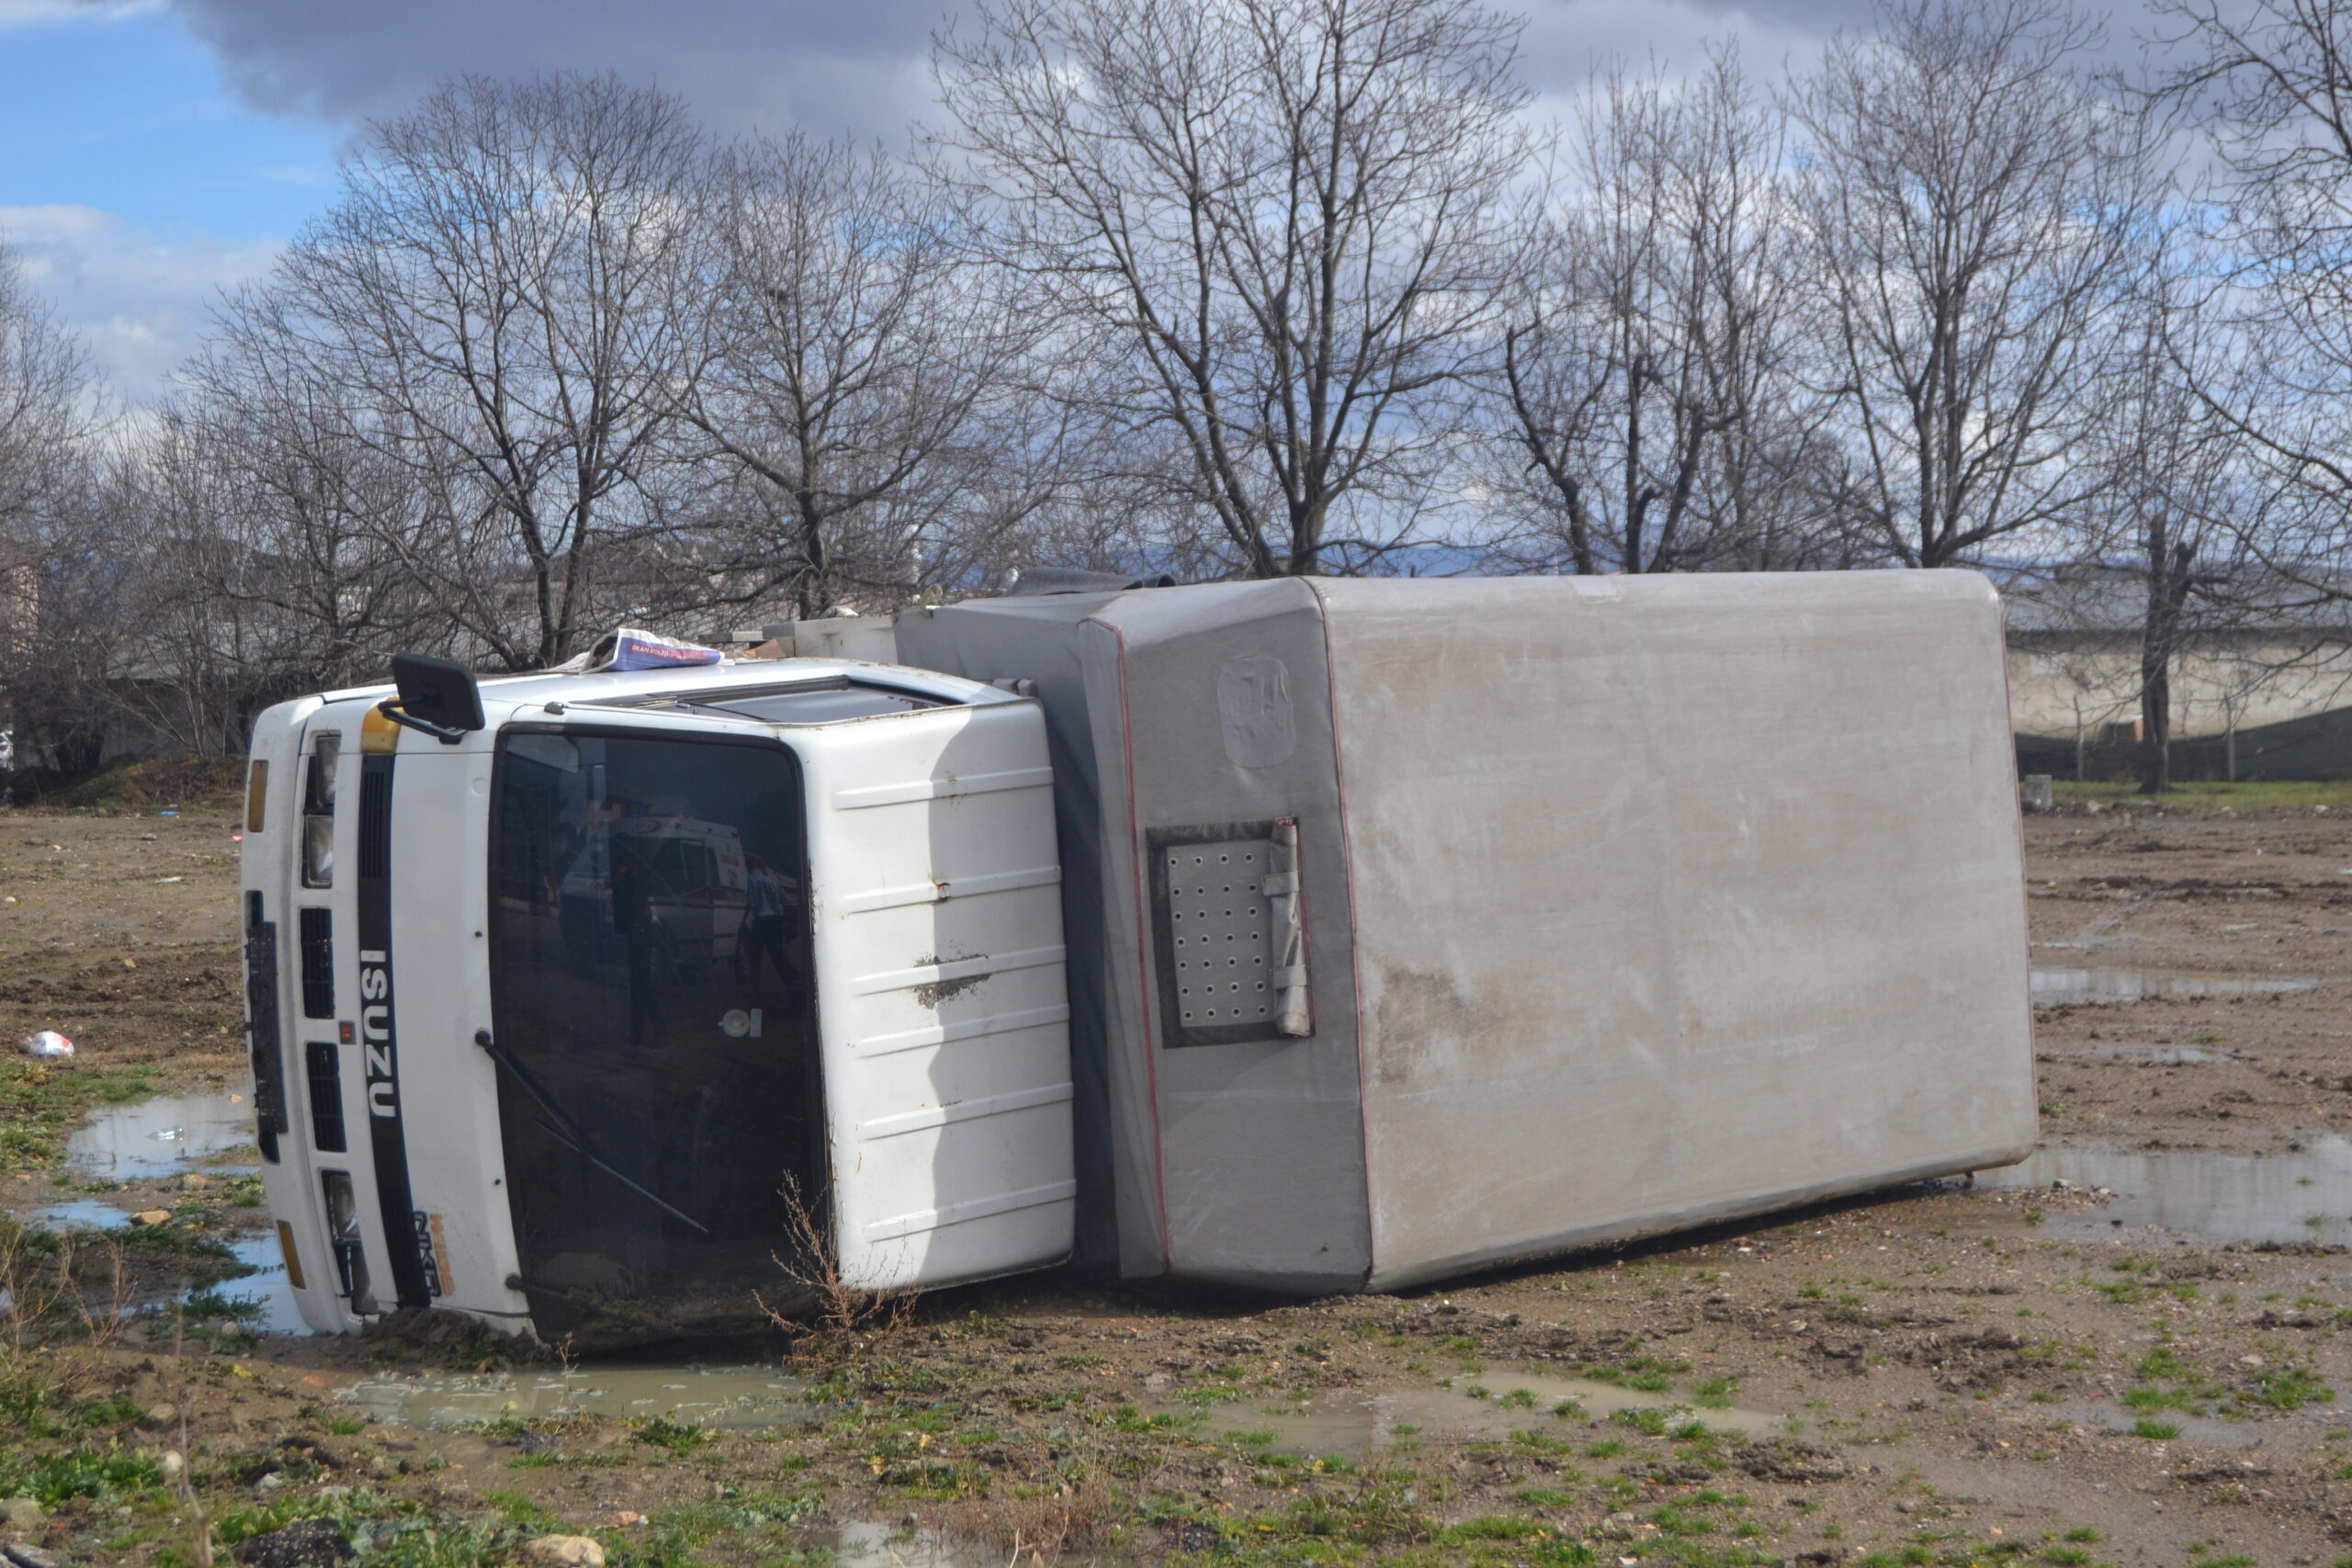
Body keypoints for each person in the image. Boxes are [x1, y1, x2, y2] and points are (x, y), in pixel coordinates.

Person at [742, 854, 797, 1005]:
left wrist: (742, 921)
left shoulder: (751, 880)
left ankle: (756, 997)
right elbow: (785, 900)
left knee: (755, 960)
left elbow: (751, 901)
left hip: (761, 924)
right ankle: (794, 990)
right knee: (778, 958)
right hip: (775, 923)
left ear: (748, 867)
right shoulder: (772, 882)